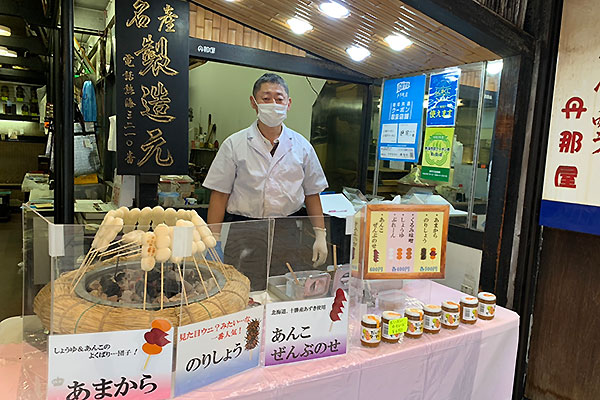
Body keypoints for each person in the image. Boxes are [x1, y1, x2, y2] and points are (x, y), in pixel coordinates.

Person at [203, 73, 328, 289]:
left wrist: (320, 234)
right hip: (244, 228)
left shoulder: (302, 146)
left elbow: (312, 193)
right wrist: (213, 239)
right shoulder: (234, 144)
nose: (273, 104)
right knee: (240, 289)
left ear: (288, 104)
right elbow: (220, 194)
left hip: (287, 229)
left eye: (279, 99)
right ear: (254, 102)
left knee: (283, 288)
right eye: (266, 98)